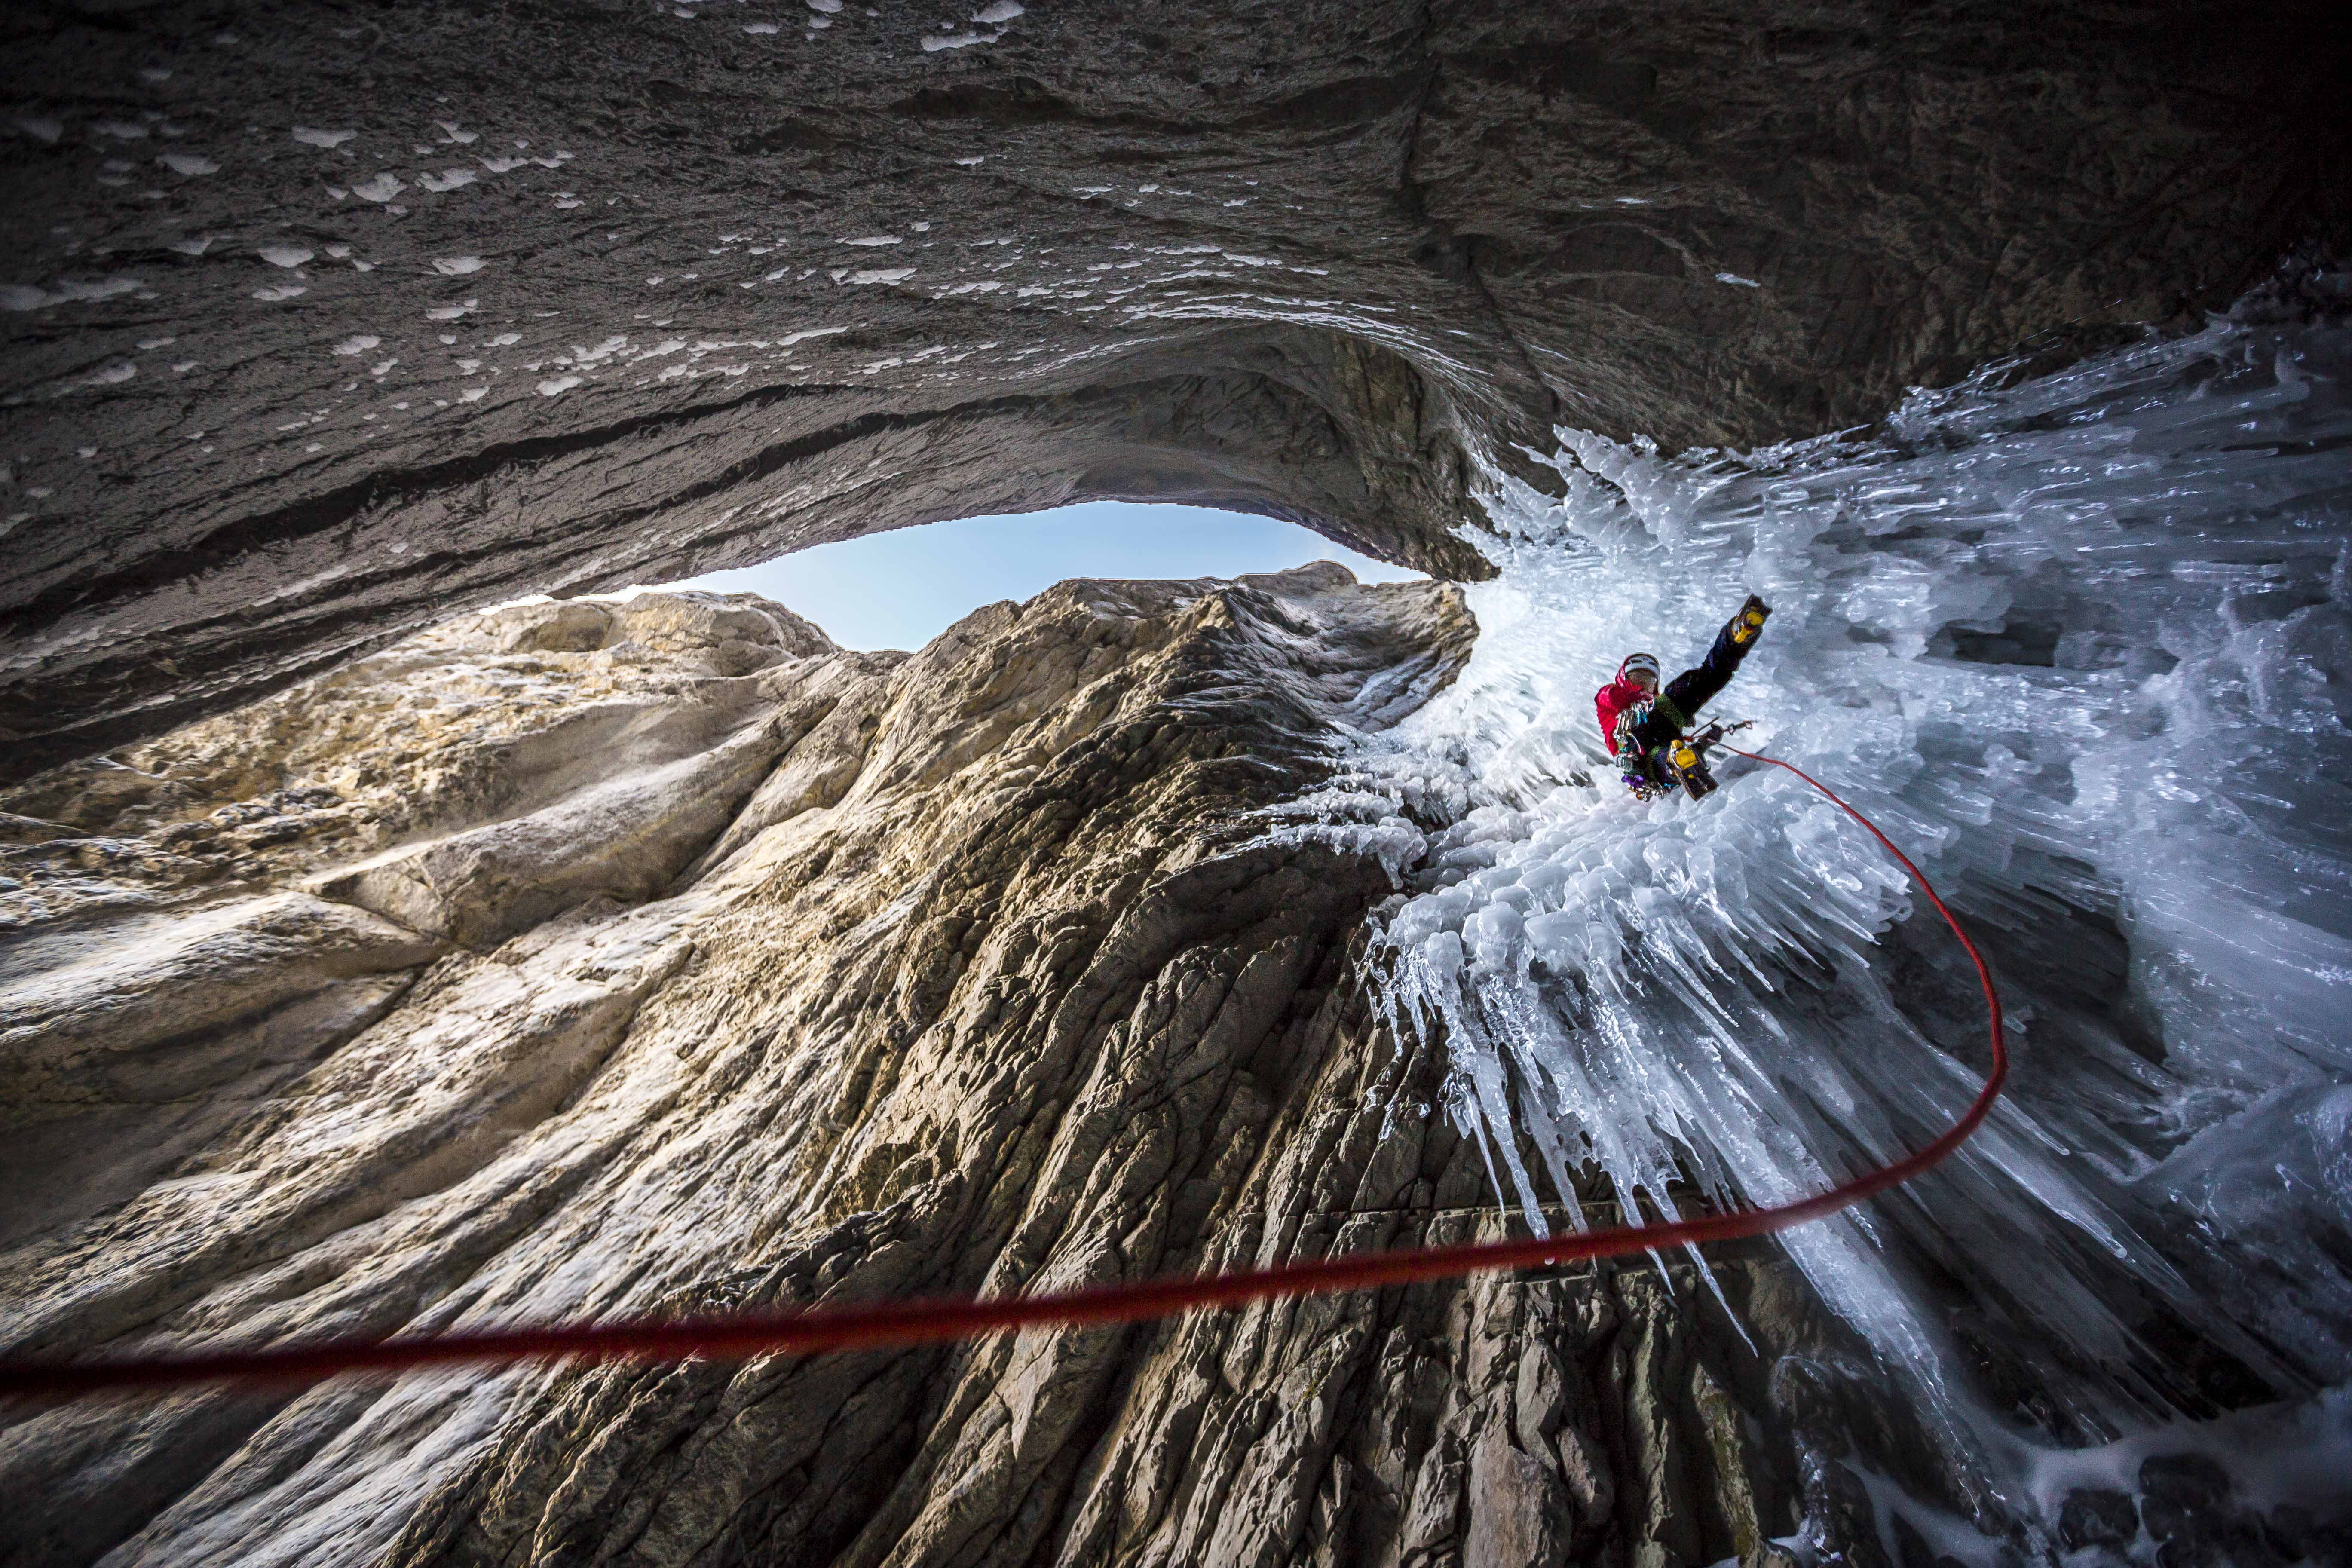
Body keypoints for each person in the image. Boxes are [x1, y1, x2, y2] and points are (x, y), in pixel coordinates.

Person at [1595, 594, 1771, 797]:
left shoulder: (1658, 702)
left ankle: (1736, 635)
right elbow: (1610, 696)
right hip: (1640, 752)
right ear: (1624, 679)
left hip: (1664, 718)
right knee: (1655, 758)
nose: (1643, 686)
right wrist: (1638, 698)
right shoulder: (1609, 698)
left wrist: (1702, 744)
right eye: (1637, 679)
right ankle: (1675, 759)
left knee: (1708, 677)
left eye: (1649, 682)